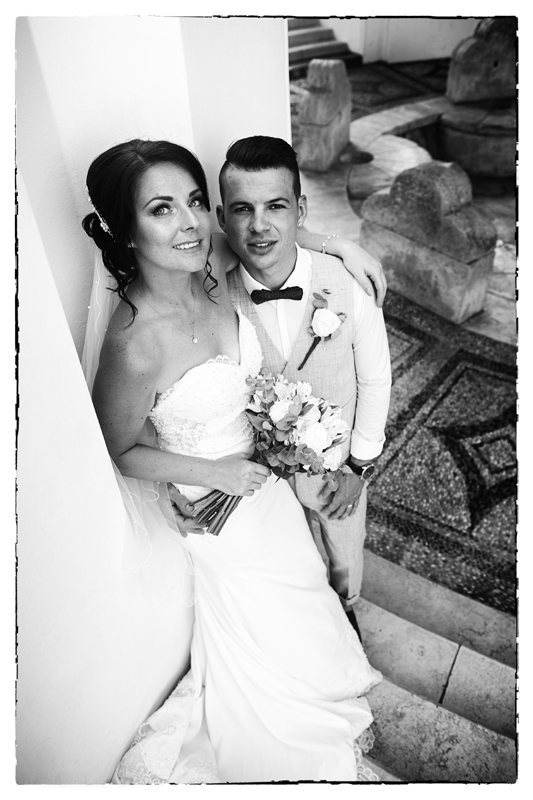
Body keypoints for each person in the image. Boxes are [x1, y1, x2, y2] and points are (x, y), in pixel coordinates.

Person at [82, 139, 384, 783]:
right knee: (263, 618)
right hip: (216, 506)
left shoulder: (212, 267)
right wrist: (213, 475)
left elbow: (269, 227)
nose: (189, 222)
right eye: (161, 209)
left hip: (267, 487)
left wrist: (342, 247)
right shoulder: (133, 346)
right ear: (127, 231)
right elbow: (118, 449)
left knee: (303, 582)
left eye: (195, 202)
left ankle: (324, 658)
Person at [213, 136, 392, 637]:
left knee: (344, 554)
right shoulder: (213, 297)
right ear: (223, 218)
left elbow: (375, 380)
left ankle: (347, 611)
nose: (259, 225)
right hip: (262, 487)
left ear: (301, 210)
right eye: (243, 209)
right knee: (288, 568)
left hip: (339, 473)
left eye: (276, 206)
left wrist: (360, 468)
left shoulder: (348, 283)